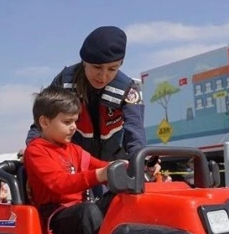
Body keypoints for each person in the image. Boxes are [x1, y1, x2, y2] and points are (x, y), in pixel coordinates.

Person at [25, 26, 146, 163]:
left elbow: (136, 132)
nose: (103, 76)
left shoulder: (128, 90)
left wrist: (140, 160)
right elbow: (42, 123)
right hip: (73, 163)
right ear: (84, 62)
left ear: (120, 64)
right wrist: (33, 148)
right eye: (97, 67)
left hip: (113, 165)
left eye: (112, 69)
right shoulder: (64, 82)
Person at [24, 85, 116, 234]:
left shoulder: (74, 150)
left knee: (119, 196)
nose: (74, 127)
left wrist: (127, 167)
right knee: (88, 211)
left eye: (75, 121)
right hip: (55, 217)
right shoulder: (36, 151)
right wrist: (98, 175)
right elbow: (60, 183)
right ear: (44, 122)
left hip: (79, 212)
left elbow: (103, 166)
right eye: (67, 122)